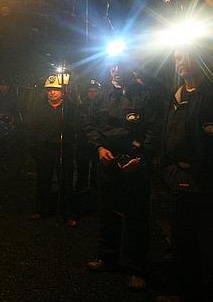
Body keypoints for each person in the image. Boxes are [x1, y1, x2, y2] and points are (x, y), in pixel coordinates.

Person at [84, 61, 160, 291]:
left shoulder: (144, 94)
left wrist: (142, 156)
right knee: (108, 213)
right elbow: (90, 124)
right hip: (109, 164)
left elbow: (154, 129)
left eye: (120, 65)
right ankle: (107, 258)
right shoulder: (102, 96)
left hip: (135, 166)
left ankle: (137, 267)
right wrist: (98, 147)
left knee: (136, 216)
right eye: (112, 66)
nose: (115, 70)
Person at [162, 46, 212, 301]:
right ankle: (183, 293)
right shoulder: (177, 96)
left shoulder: (209, 96)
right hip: (178, 180)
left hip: (204, 185)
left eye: (185, 56)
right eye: (177, 57)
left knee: (206, 246)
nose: (180, 62)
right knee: (182, 243)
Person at [28, 74, 78, 226]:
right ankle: (42, 209)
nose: (52, 92)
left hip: (64, 149)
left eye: (56, 89)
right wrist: (34, 147)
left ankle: (67, 212)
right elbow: (33, 128)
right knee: (43, 180)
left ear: (62, 91)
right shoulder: (40, 107)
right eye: (49, 89)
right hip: (44, 149)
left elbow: (76, 127)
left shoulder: (70, 107)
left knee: (65, 182)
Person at [75, 79, 103, 192]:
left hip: (97, 141)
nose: (92, 93)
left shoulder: (102, 105)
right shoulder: (81, 106)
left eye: (95, 91)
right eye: (90, 91)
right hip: (83, 141)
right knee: (82, 165)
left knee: (96, 167)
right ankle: (81, 186)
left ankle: (93, 187)